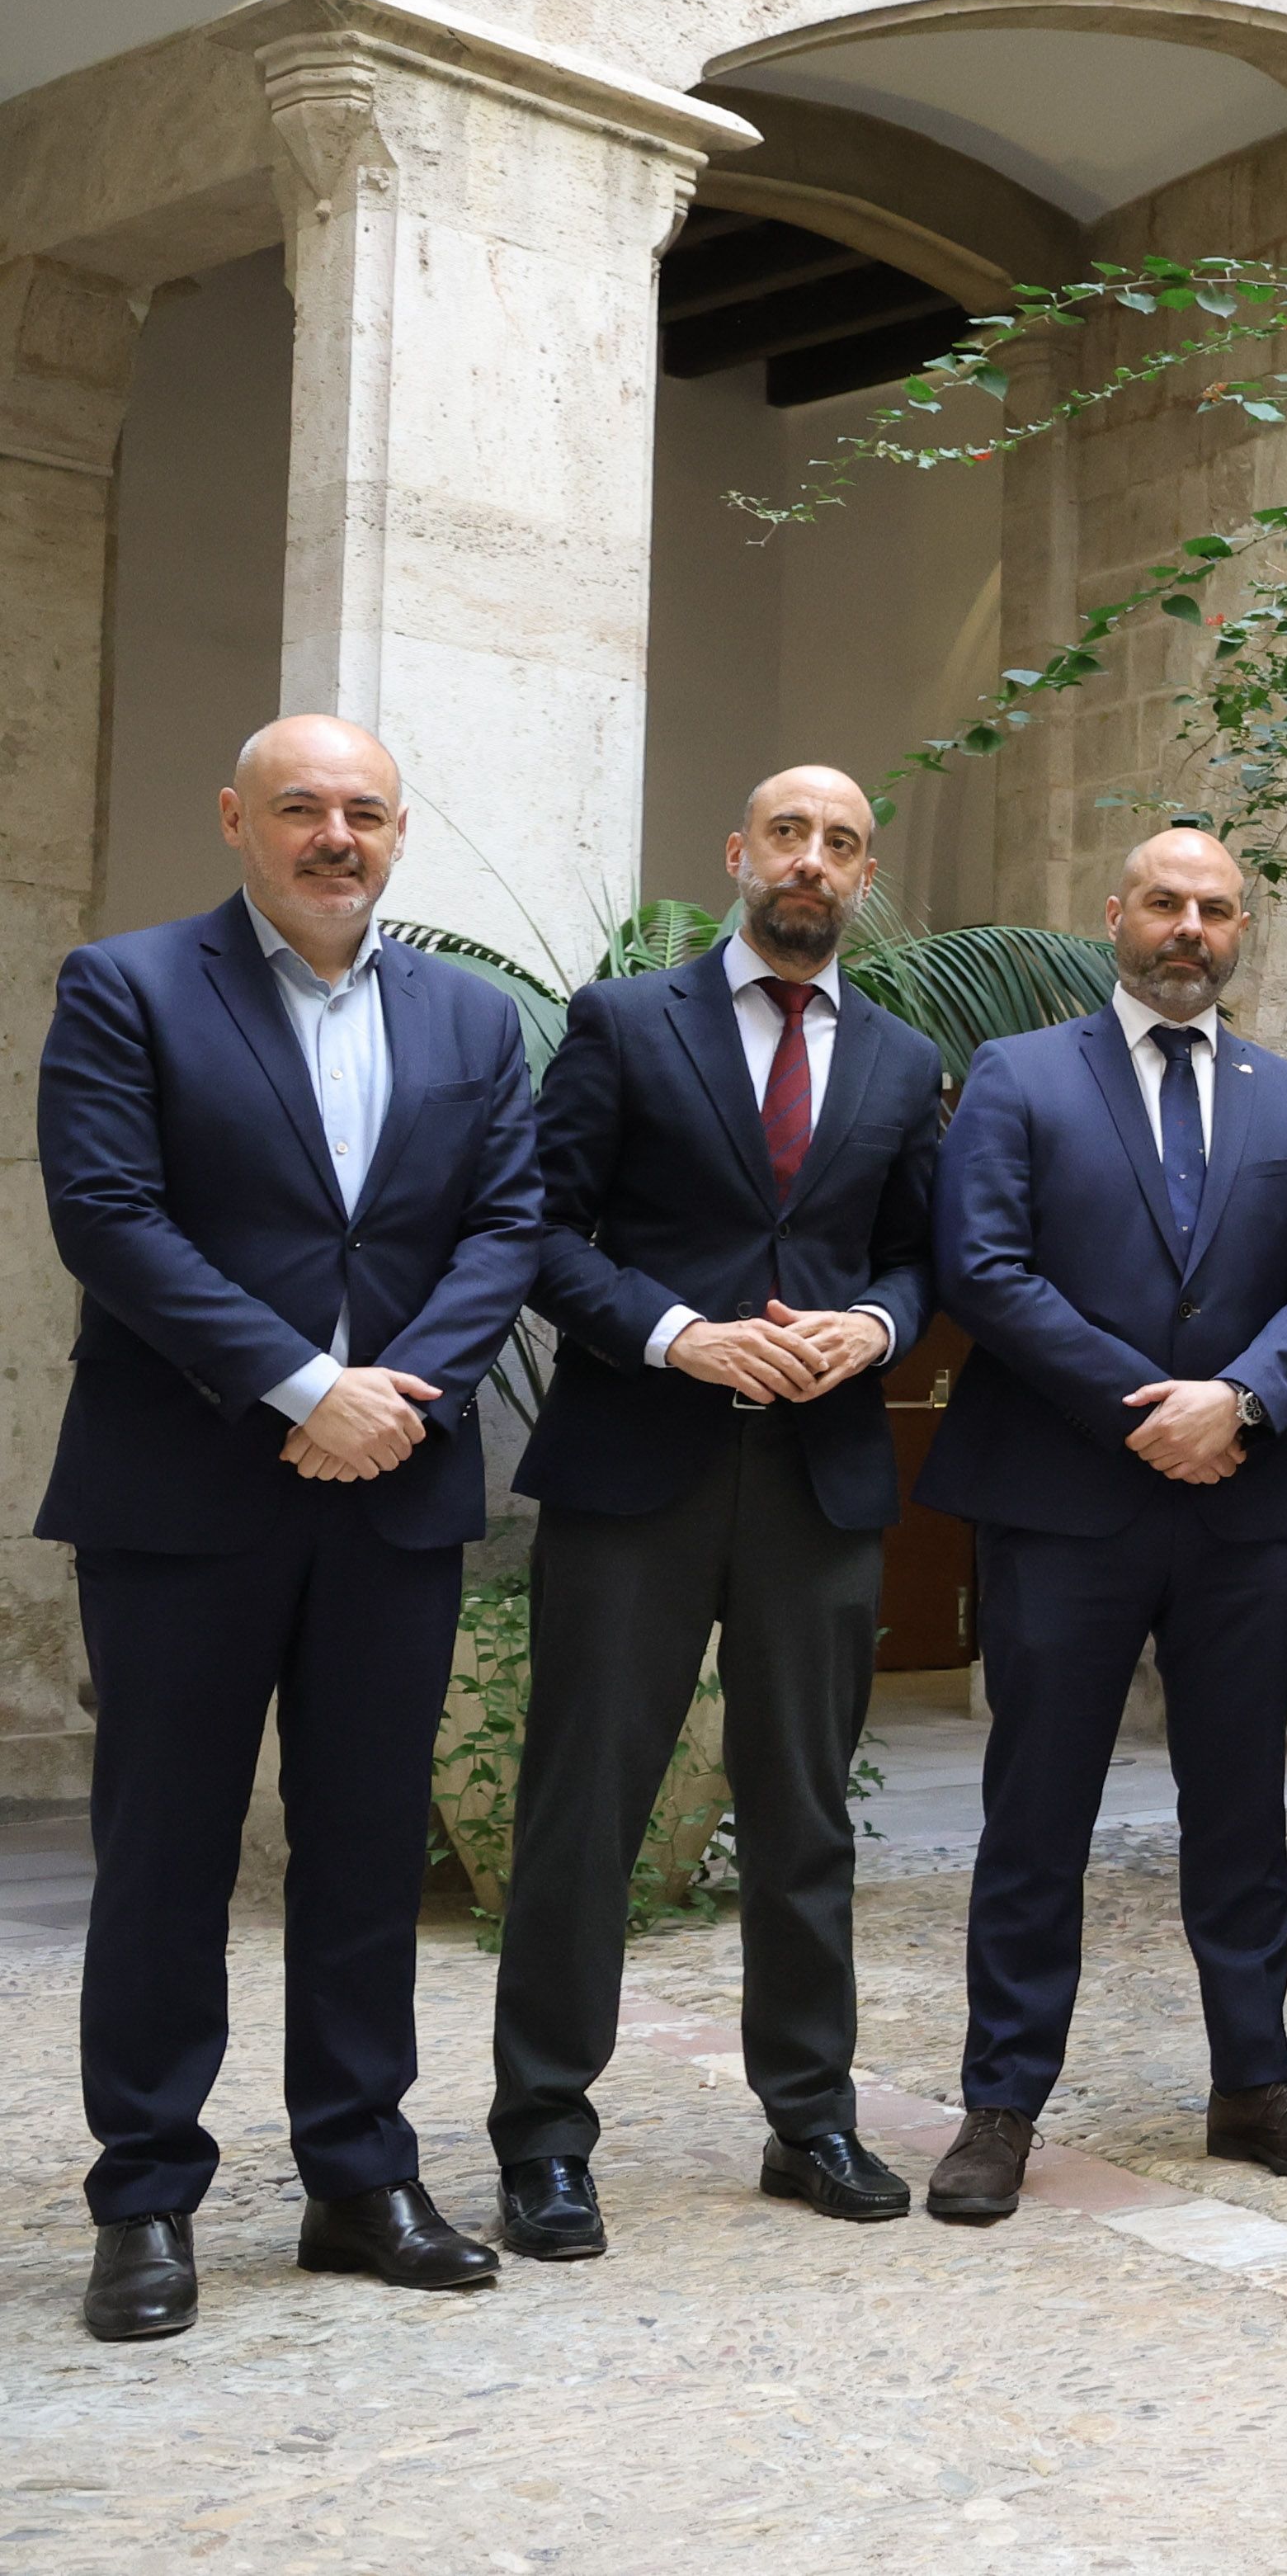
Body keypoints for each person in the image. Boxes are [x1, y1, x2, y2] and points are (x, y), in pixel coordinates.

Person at [36, 715, 540, 2338]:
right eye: (304, 808)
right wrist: (302, 1385)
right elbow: (108, 1214)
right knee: (167, 1853)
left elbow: (505, 1226)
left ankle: (359, 2177)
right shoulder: (129, 987)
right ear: (236, 820)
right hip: (182, 1492)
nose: (338, 836)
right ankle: (146, 2197)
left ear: (399, 832)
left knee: (368, 1848)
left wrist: (396, 1401)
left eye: (366, 812)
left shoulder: (469, 1018)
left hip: (393, 1485)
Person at [484, 766, 945, 2257]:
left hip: (820, 1475)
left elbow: (921, 1255)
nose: (812, 860)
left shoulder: (902, 1058)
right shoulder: (627, 1024)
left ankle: (810, 2118)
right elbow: (540, 1229)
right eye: (788, 835)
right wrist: (678, 1334)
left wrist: (875, 1328)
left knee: (805, 1812)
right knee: (585, 1809)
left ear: (864, 876)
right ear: (739, 852)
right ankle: (545, 2136)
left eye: (841, 843)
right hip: (638, 1466)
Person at [912, 824, 1287, 2219]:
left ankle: (1256, 2085)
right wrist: (1144, 1408)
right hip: (1063, 1502)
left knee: (1242, 1812)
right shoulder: (1019, 1076)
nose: (1190, 929)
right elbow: (981, 1267)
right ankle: (1002, 2104)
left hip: (1240, 1505)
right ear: (1116, 915)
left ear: (1241, 933)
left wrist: (1240, 1400)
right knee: (1037, 1811)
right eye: (1166, 904)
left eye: (1216, 910)